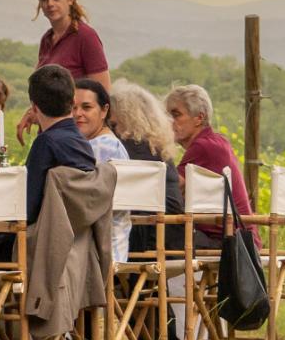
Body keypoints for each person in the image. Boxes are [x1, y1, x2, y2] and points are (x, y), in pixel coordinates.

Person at [18, 0, 108, 138]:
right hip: (49, 133)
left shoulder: (85, 36)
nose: (50, 3)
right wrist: (34, 112)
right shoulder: (47, 39)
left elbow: (102, 93)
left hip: (75, 135)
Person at [165, 83, 256, 244]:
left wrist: (156, 145)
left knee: (152, 235)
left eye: (176, 114)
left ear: (199, 118)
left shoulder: (204, 146)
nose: (168, 121)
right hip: (236, 238)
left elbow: (171, 186)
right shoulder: (214, 141)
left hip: (231, 242)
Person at [110, 80, 184, 255]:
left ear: (127, 118)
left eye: (113, 124)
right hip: (175, 243)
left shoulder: (127, 148)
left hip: (144, 243)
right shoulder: (157, 149)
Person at [22, 64, 96, 224]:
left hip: (40, 241)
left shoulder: (46, 143)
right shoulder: (83, 143)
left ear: (34, 108)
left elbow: (26, 210)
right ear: (73, 101)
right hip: (79, 241)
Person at [72, 77, 131, 263]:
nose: (78, 114)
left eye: (86, 107)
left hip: (98, 248)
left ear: (104, 110)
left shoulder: (102, 148)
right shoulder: (104, 144)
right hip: (112, 244)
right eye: (73, 108)